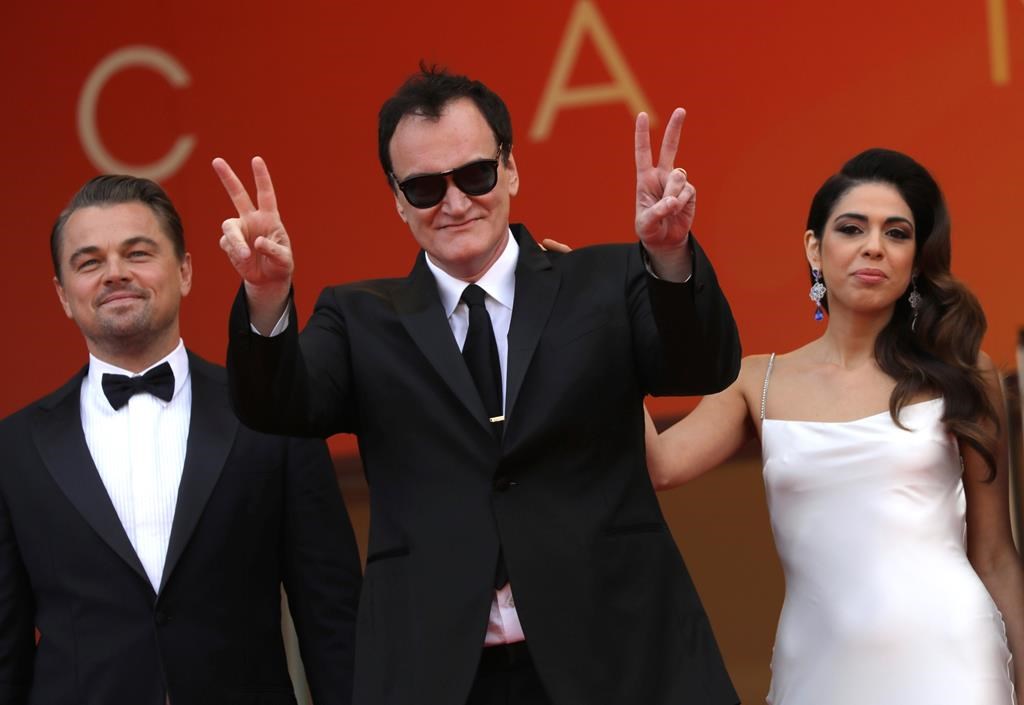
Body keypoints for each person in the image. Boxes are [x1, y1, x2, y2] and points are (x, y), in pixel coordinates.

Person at [213, 66, 742, 705]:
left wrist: (668, 258)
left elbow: (701, 368)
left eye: (475, 175)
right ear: (397, 198)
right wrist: (266, 296)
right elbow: (277, 406)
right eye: (425, 186)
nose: (456, 203)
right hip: (438, 671)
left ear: (511, 169)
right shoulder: (358, 320)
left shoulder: (604, 281)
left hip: (619, 654)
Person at [645, 148, 1024, 705]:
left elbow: (995, 555)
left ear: (916, 260)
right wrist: (597, 331)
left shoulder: (965, 376)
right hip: (817, 669)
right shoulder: (756, 382)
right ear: (814, 248)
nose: (874, 245)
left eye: (897, 233)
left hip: (955, 661)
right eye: (852, 228)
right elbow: (660, 465)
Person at [0, 175, 362, 705]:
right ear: (62, 294)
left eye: (137, 252)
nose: (115, 274)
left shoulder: (268, 420)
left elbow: (334, 619)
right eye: (89, 261)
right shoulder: (15, 449)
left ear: (186, 271)